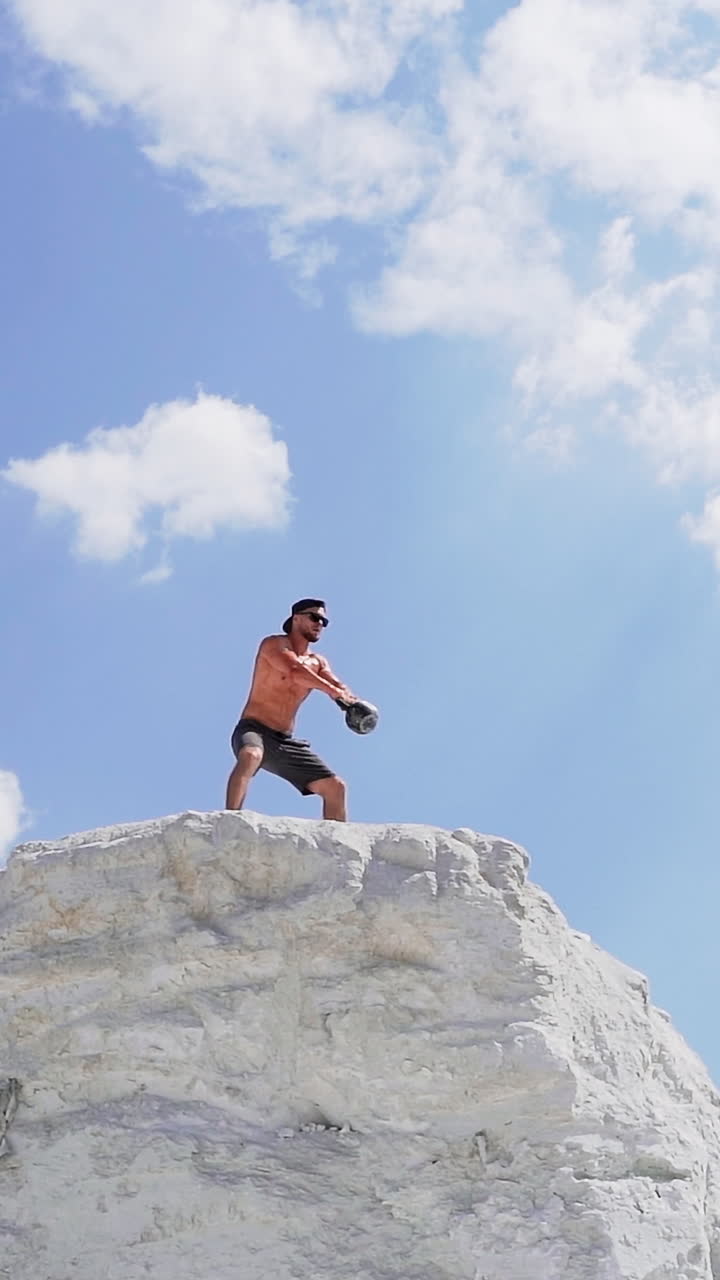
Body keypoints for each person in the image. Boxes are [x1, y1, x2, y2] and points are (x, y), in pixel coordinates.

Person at [226, 599, 356, 821]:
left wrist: (353, 701)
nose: (319, 624)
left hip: (284, 741)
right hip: (254, 729)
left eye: (324, 621)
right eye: (314, 617)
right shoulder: (273, 645)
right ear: (296, 618)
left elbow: (339, 685)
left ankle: (336, 848)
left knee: (336, 787)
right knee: (251, 755)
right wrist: (333, 692)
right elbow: (294, 670)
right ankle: (228, 820)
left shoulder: (318, 662)